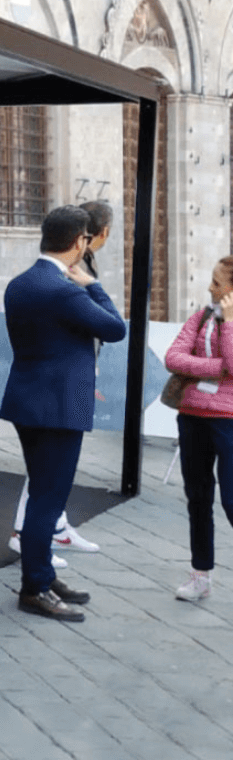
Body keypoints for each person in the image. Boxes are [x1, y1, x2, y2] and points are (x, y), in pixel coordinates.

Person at [0, 205, 126, 621]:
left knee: (42, 492)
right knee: (48, 500)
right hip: (59, 406)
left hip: (27, 400)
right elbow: (115, 328)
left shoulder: (20, 284)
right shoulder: (65, 290)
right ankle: (35, 587)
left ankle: (44, 574)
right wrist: (94, 285)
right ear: (78, 242)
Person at [164, 256, 233, 602]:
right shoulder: (201, 316)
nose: (210, 288)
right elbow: (173, 358)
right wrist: (217, 368)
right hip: (192, 415)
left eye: (217, 283)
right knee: (198, 497)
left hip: (228, 420)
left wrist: (230, 323)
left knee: (232, 500)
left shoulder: (224, 320)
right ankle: (200, 575)